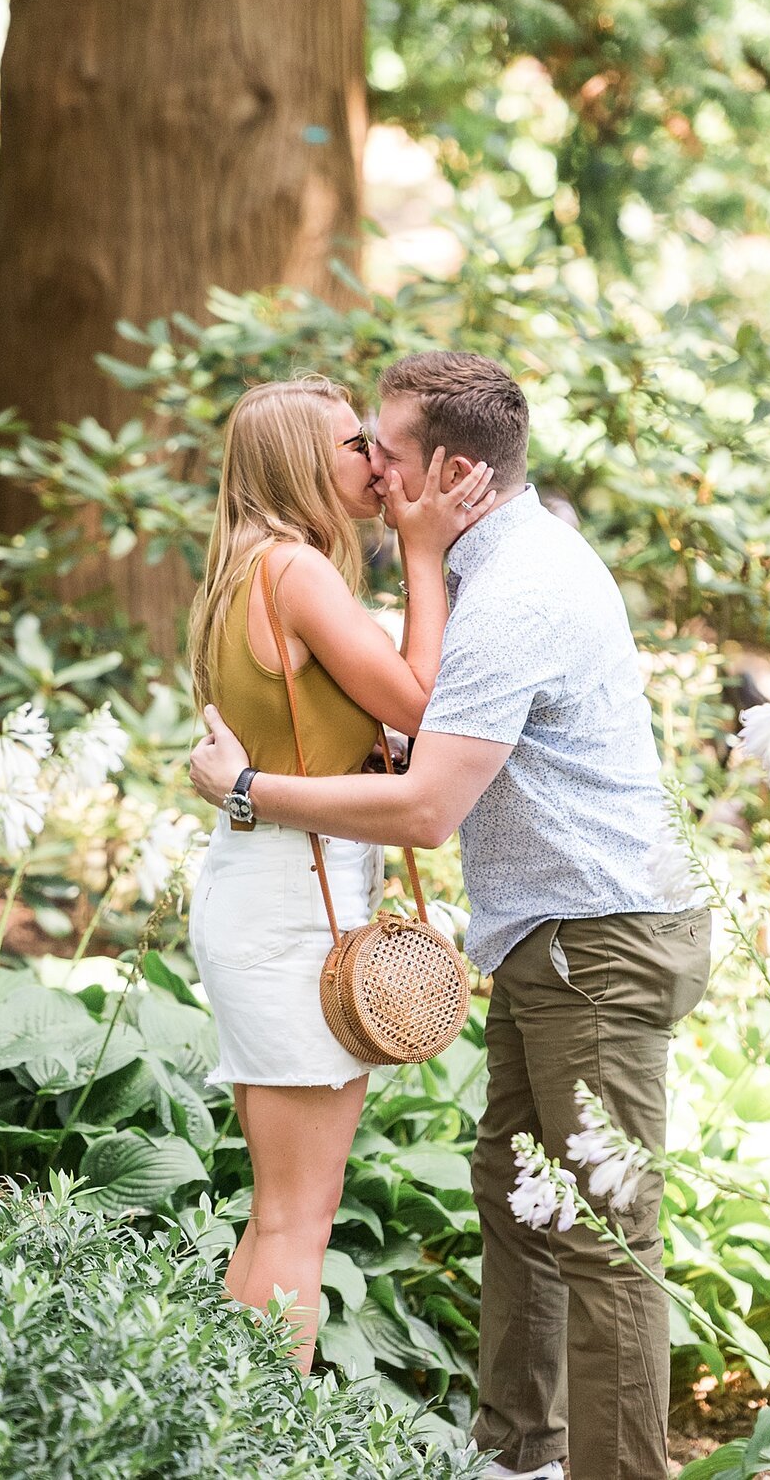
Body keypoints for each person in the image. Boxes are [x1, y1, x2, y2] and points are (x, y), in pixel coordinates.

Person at [190, 350, 713, 1480]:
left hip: (595, 932)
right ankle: (515, 1457)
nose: (374, 467)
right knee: (516, 1196)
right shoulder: (439, 567)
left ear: (455, 471)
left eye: (385, 446)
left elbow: (427, 799)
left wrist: (250, 788)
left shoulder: (516, 586)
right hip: (537, 933)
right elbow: (419, 724)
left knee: (598, 1226)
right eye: (357, 445)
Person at [184, 374, 495, 1371]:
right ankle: (256, 1442)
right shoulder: (298, 573)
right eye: (352, 444)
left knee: (283, 1213)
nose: (378, 460)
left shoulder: (244, 570)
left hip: (265, 887)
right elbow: (417, 703)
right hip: (288, 906)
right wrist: (421, 551)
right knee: (297, 1222)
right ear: (295, 464)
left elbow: (325, 731)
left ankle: (213, 1423)